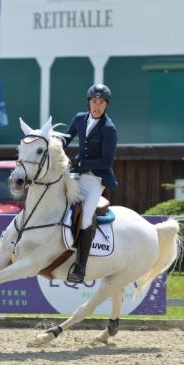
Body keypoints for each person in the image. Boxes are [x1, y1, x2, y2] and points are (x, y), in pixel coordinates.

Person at [63, 83, 118, 283]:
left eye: (101, 103)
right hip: (77, 173)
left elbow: (106, 161)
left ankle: (80, 267)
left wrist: (81, 161)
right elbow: (66, 139)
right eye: (94, 101)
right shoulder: (79, 119)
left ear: (106, 105)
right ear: (89, 102)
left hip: (96, 178)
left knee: (86, 217)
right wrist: (52, 146)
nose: (97, 106)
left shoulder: (109, 129)